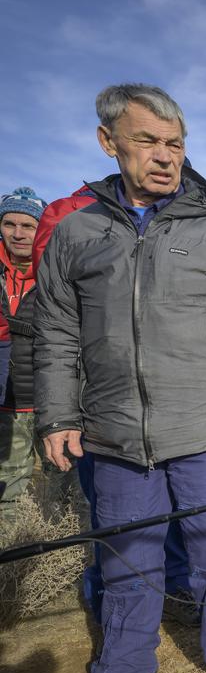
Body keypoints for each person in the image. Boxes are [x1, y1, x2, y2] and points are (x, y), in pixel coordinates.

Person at [35, 83, 206, 673]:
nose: (164, 156)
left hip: (205, 424)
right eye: (147, 141)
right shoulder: (77, 233)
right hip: (113, 430)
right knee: (125, 553)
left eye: (175, 144)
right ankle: (124, 665)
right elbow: (57, 332)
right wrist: (59, 415)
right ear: (108, 142)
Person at [29, 183, 196, 626]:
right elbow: (58, 321)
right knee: (111, 508)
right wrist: (59, 413)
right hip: (98, 395)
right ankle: (109, 597)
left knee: (172, 506)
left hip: (164, 397)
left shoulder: (177, 218)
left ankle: (174, 588)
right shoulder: (72, 216)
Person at [0, 187, 49, 514]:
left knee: (68, 483)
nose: (17, 234)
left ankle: (70, 555)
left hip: (54, 405)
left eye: (28, 225)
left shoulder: (57, 273)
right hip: (8, 405)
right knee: (8, 487)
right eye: (9, 223)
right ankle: (11, 561)